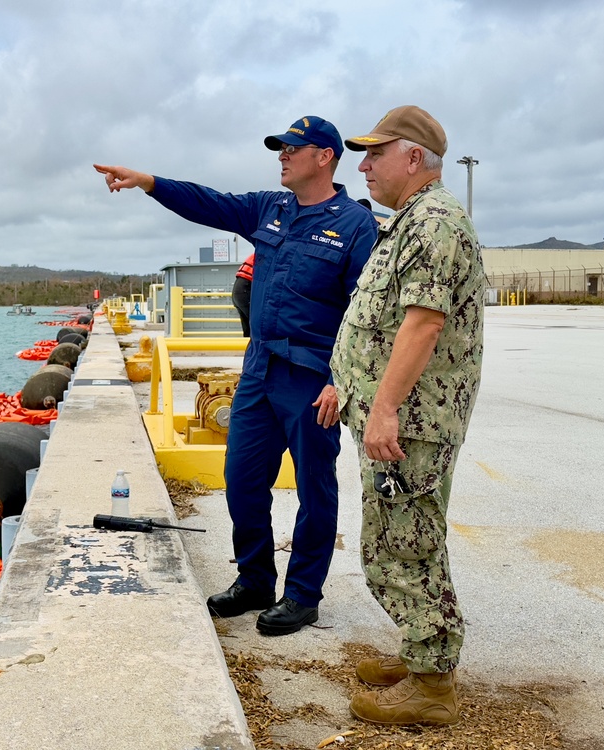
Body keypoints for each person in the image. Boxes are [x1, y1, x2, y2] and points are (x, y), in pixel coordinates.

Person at [95, 116, 378, 636]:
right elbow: (210, 202)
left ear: (324, 157)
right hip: (259, 369)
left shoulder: (356, 227)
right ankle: (254, 580)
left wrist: (343, 382)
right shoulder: (270, 210)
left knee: (316, 492)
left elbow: (369, 315)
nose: (281, 156)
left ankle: (302, 595)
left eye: (292, 149)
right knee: (242, 481)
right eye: (280, 149)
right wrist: (149, 182)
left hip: (314, 380)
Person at [327, 105, 485, 724]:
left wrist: (385, 408)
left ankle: (432, 682)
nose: (363, 166)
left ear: (413, 158)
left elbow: (423, 324)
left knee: (402, 546)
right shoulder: (411, 222)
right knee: (404, 538)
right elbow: (383, 321)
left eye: (375, 154)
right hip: (401, 417)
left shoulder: (435, 224)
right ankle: (421, 649)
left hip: (412, 422)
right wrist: (347, 384)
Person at [232, 253, 255, 337]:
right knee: (258, 325)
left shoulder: (257, 254)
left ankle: (249, 349)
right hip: (245, 290)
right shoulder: (267, 255)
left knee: (248, 329)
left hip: (238, 291)